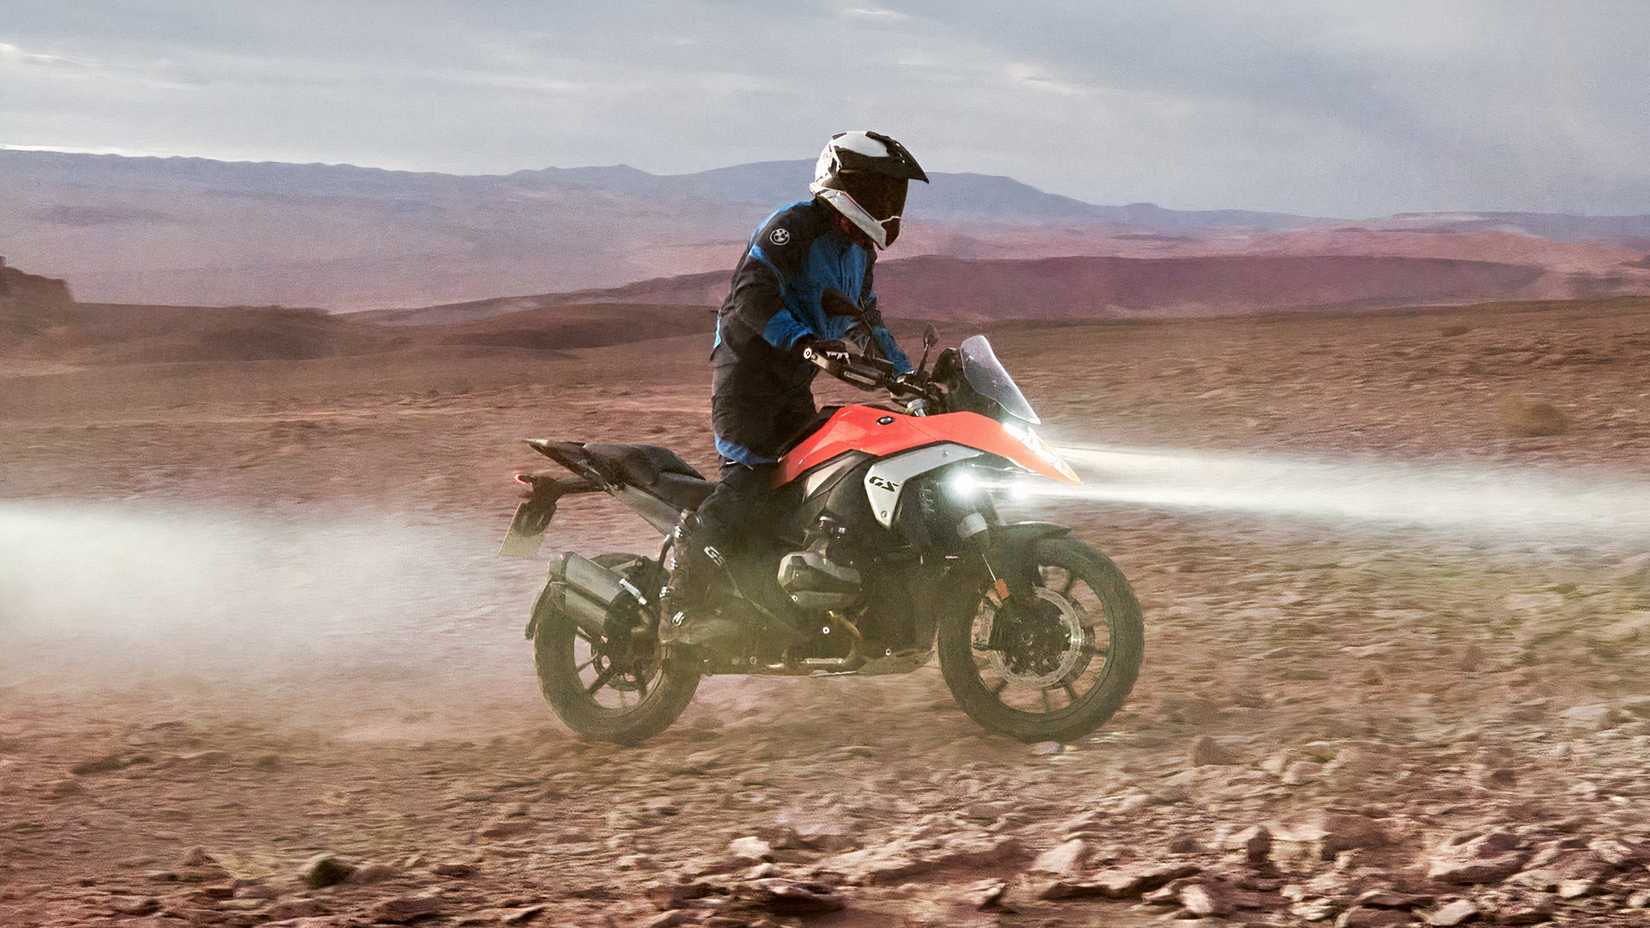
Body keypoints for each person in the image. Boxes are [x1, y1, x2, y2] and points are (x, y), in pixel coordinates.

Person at [660, 130, 928, 629]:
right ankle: (680, 598)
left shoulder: (858, 252)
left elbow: (864, 320)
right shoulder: (792, 228)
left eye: (895, 195)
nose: (889, 204)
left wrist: (909, 378)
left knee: (806, 486)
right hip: (748, 378)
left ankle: (777, 601)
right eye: (881, 190)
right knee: (749, 486)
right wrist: (804, 340)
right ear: (844, 183)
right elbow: (752, 297)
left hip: (792, 382)